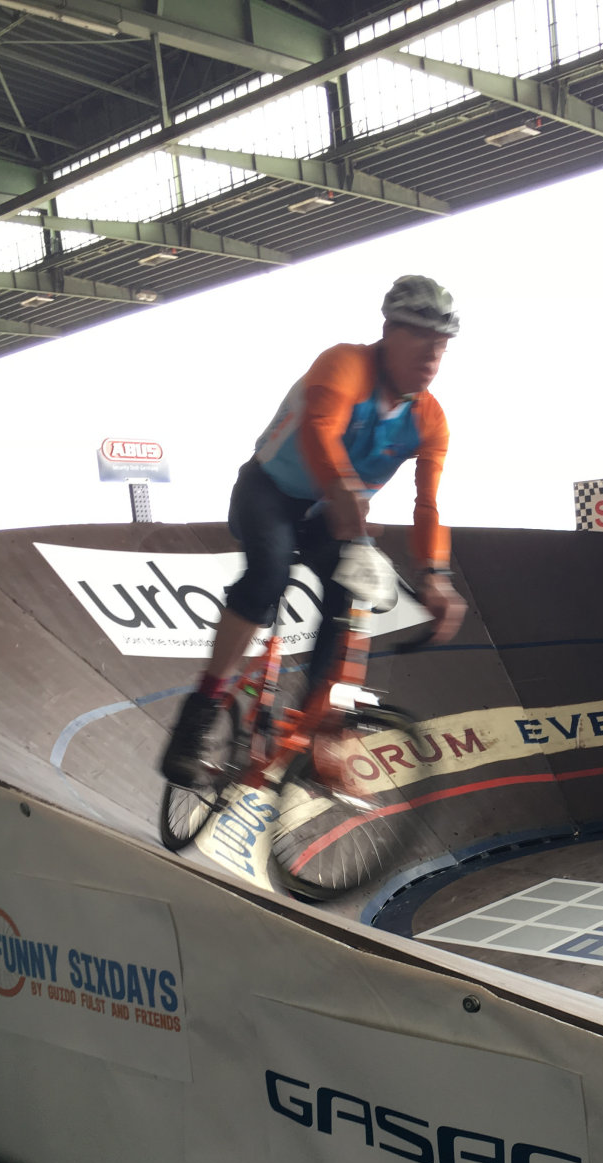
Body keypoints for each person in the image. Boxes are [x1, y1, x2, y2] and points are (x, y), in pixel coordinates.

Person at [160, 275, 467, 787]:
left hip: (333, 512)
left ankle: (320, 728)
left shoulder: (430, 420)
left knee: (348, 595)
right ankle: (197, 717)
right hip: (269, 493)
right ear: (389, 332)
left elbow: (428, 505)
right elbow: (320, 431)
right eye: (420, 337)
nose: (432, 354)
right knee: (267, 577)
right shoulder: (344, 365)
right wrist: (345, 493)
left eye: (442, 344)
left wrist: (435, 575)